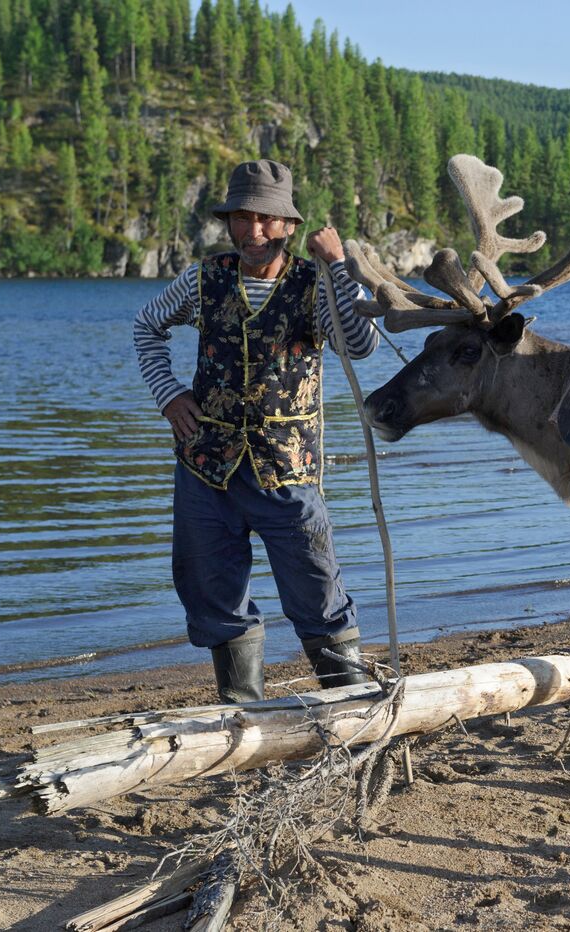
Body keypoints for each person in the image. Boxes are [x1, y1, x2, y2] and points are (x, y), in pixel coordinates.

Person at [133, 158, 379, 703]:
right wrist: (169, 394)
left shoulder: (314, 285)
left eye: (267, 219)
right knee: (214, 593)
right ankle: (243, 716)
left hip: (289, 471)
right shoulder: (203, 279)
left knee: (317, 592)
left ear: (289, 226)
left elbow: (361, 346)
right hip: (206, 468)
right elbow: (146, 325)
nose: (253, 231)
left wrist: (338, 267)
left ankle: (356, 709)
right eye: (242, 218)